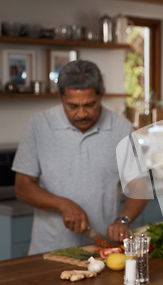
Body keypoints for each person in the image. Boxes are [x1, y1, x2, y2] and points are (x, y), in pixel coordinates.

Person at [12, 60, 147, 254]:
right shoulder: (39, 125)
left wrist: (123, 220)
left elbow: (139, 185)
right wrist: (63, 204)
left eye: (90, 105)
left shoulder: (121, 128)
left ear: (101, 94)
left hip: (101, 249)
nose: (82, 113)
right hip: (48, 251)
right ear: (61, 97)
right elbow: (22, 187)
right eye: (72, 106)